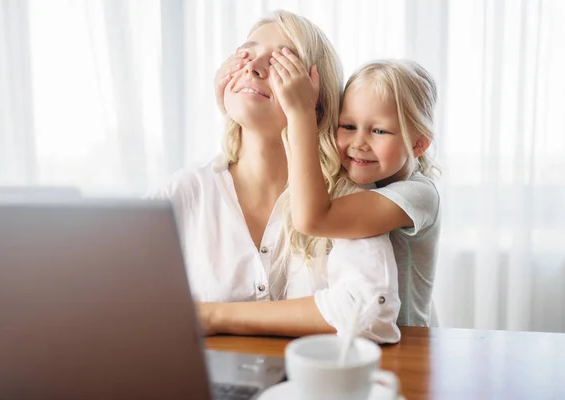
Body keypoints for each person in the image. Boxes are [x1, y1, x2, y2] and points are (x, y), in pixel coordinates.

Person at [149, 10, 401, 343]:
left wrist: (212, 315)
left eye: (281, 63)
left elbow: (369, 312)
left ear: (318, 102)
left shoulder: (346, 198)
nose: (253, 68)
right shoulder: (184, 191)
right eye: (246, 55)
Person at [217, 56, 440, 327]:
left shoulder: (418, 195)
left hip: (407, 347)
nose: (359, 143)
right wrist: (232, 103)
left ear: (418, 144)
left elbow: (312, 219)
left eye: (379, 131)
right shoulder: (362, 174)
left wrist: (302, 114)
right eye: (348, 126)